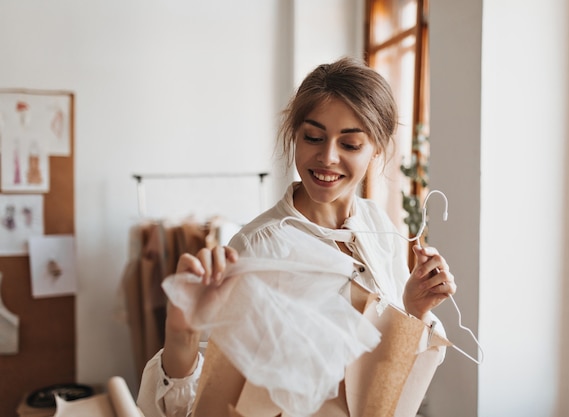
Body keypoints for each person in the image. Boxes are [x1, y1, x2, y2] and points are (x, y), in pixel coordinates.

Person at [136, 56, 457, 417]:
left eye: (350, 144)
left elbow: (384, 368)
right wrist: (181, 336)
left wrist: (413, 307)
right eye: (313, 137)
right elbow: (197, 403)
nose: (327, 157)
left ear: (376, 148)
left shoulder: (378, 226)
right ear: (295, 134)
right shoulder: (258, 247)